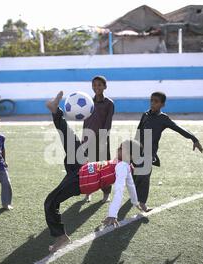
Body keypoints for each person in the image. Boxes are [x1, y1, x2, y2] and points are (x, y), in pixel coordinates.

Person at [44, 91, 145, 253]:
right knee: (71, 139)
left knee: (50, 202)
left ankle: (61, 236)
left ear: (132, 155)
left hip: (80, 181)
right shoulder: (122, 164)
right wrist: (136, 202)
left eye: (123, 148)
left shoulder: (122, 167)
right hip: (82, 167)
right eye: (120, 146)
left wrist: (113, 214)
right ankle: (56, 111)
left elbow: (119, 190)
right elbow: (131, 186)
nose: (119, 149)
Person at [133, 92, 203, 211]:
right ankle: (134, 197)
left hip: (150, 151)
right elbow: (138, 131)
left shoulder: (163, 118)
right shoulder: (145, 115)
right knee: (136, 175)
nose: (153, 103)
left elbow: (179, 129)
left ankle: (143, 203)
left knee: (145, 176)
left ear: (162, 104)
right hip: (138, 149)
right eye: (151, 100)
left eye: (156, 101)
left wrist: (193, 138)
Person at [82, 76, 115, 203]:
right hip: (88, 139)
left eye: (99, 85)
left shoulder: (109, 103)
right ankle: (88, 193)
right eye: (94, 85)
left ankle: (106, 194)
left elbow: (108, 123)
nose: (97, 87)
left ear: (105, 87)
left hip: (101, 140)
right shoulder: (87, 102)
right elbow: (85, 121)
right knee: (89, 168)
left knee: (103, 168)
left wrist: (103, 138)